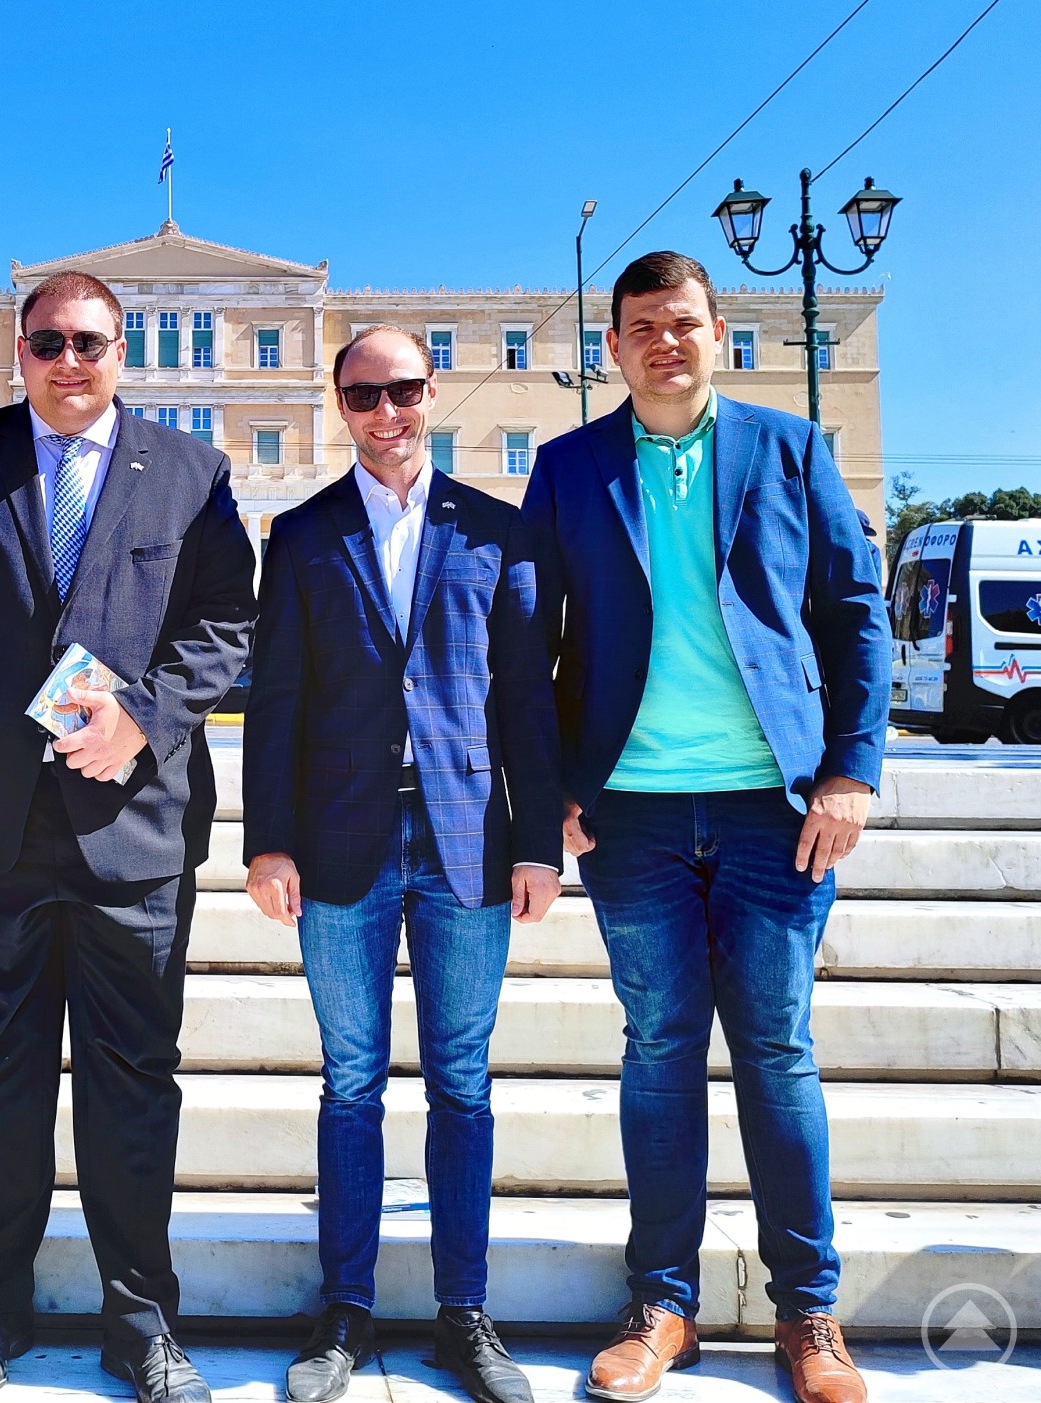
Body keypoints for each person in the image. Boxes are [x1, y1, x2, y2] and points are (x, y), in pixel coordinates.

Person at [0, 271, 255, 1403]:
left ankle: (141, 1320)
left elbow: (227, 623)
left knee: (135, 1081)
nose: (68, 361)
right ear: (18, 350)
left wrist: (149, 714)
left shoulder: (190, 473)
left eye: (89, 341)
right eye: (47, 342)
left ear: (122, 349)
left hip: (132, 832)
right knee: (2, 1074)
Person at [521, 252, 889, 1403]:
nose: (663, 343)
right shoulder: (571, 466)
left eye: (682, 323)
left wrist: (852, 770)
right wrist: (548, 788)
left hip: (774, 809)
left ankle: (810, 1314)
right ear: (615, 347)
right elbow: (527, 635)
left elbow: (855, 610)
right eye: (641, 327)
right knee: (663, 1050)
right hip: (629, 814)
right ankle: (661, 1303)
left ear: (721, 331)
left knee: (776, 1052)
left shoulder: (789, 448)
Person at [243, 326, 561, 1403]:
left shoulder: (501, 532)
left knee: (462, 1082)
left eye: (406, 391)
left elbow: (526, 699)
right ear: (340, 404)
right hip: (340, 843)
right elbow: (275, 698)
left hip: (468, 842)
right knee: (350, 1082)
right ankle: (347, 1307)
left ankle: (464, 1311)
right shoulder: (301, 534)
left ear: (433, 395)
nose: (388, 412)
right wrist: (266, 839)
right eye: (366, 395)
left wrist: (536, 844)